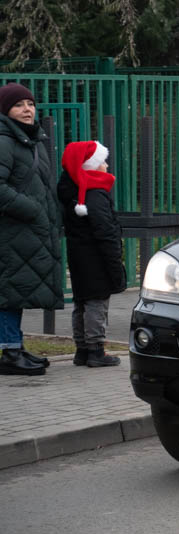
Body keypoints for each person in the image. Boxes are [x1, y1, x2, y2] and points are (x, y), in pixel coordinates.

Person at [0, 83, 62, 376]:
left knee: (17, 291)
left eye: (30, 104)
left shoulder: (30, 141)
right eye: (19, 105)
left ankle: (15, 346)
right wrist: (32, 209)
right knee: (7, 294)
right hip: (10, 233)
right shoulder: (4, 141)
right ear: (5, 111)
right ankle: (9, 352)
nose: (27, 110)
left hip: (25, 234)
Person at [58, 141, 125, 366]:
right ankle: (96, 350)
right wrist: (114, 257)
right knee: (97, 302)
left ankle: (82, 350)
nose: (106, 165)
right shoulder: (95, 194)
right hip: (96, 257)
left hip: (79, 256)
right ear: (92, 166)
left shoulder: (75, 192)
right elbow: (104, 230)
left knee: (82, 302)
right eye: (102, 161)